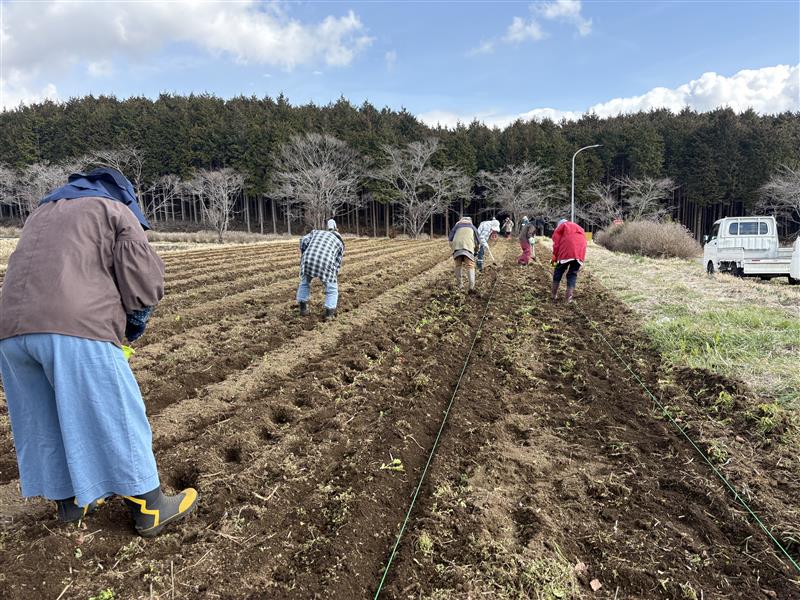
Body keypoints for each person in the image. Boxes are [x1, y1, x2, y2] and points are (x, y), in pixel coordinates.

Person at [0, 167, 198, 537]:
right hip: (75, 325)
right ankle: (150, 507)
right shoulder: (114, 209)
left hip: (10, 333)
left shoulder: (41, 213)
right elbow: (143, 282)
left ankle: (71, 504)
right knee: (117, 408)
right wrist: (130, 331)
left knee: (42, 418)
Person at [297, 218, 345, 320]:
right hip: (326, 262)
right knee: (332, 289)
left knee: (305, 282)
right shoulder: (340, 242)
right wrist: (332, 276)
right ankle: (329, 314)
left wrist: (304, 254)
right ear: (337, 230)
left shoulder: (317, 232)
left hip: (308, 258)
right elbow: (337, 262)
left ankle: (303, 309)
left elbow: (303, 240)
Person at [551, 218, 588, 303]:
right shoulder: (579, 228)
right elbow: (584, 242)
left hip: (567, 251)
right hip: (580, 253)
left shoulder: (562, 227)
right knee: (572, 274)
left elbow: (556, 245)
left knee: (558, 270)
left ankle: (553, 295)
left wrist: (554, 258)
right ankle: (568, 298)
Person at [448, 216, 481, 293]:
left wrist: (453, 249)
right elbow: (478, 242)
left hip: (456, 248)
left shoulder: (456, 227)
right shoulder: (473, 227)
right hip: (468, 247)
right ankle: (471, 287)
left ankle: (460, 285)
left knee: (458, 266)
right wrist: (476, 251)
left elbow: (450, 239)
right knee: (470, 266)